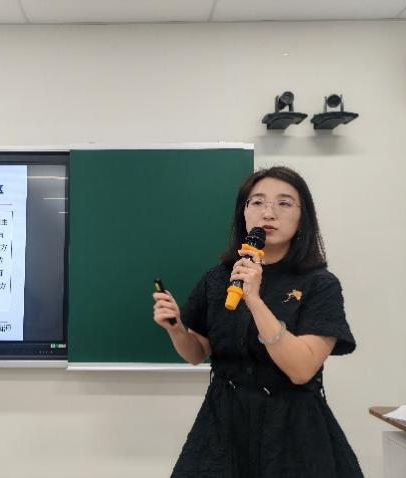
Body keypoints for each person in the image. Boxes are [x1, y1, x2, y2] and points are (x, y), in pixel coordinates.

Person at [152, 166, 363, 478]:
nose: (269, 213)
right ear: (244, 213)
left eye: (284, 203)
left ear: (303, 216)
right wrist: (177, 329)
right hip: (224, 423)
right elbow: (197, 353)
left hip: (292, 427)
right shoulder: (218, 278)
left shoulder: (320, 284)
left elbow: (302, 370)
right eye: (258, 202)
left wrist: (254, 300)